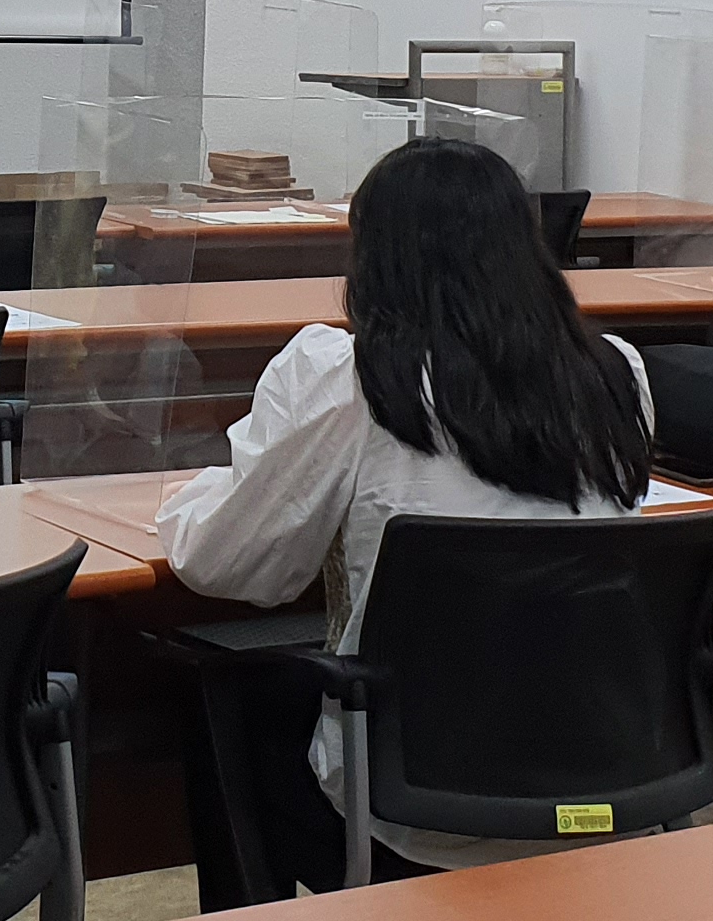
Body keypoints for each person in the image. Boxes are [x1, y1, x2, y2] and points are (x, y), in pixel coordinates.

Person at [161, 135, 657, 878]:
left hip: (414, 816)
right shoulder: (617, 375)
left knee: (219, 702)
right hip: (610, 782)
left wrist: (190, 495)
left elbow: (228, 564)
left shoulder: (353, 380)